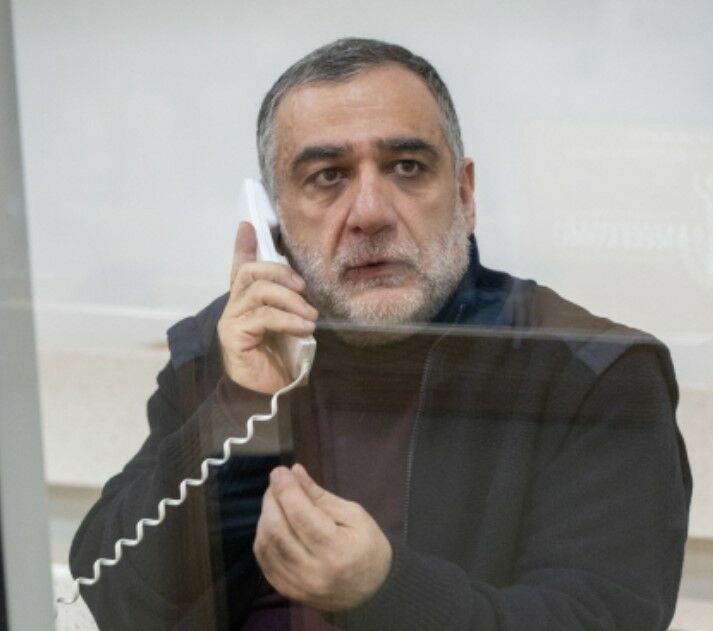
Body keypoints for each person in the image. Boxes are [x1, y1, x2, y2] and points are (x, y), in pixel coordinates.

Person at [70, 38, 692, 630]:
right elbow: (119, 605)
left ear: (465, 194)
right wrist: (241, 404)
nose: (370, 213)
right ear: (273, 221)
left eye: (407, 167)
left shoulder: (593, 373)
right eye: (327, 176)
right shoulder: (231, 344)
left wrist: (386, 591)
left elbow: (598, 618)